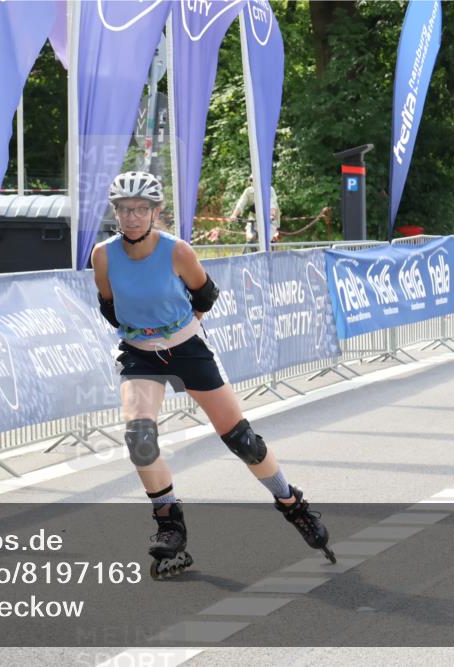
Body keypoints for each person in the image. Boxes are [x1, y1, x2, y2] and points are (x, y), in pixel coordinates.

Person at [91, 171, 334, 579]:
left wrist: (182, 329)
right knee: (139, 437)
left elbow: (206, 294)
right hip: (139, 354)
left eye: (140, 209)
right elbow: (109, 306)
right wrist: (145, 335)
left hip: (187, 350)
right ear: (115, 212)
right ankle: (169, 524)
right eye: (123, 209)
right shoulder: (103, 254)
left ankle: (293, 504)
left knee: (242, 440)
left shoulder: (177, 251)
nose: (131, 217)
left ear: (154, 212)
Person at [230, 174, 280, 248]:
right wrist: (234, 215)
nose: (252, 182)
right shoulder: (248, 191)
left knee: (264, 241)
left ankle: (268, 253)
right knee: (250, 237)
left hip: (269, 220)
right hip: (254, 219)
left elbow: (272, 204)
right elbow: (241, 203)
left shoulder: (269, 190)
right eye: (251, 180)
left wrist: (271, 215)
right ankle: (253, 256)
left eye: (253, 180)